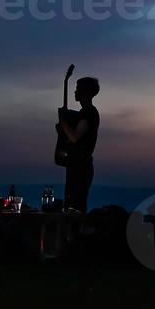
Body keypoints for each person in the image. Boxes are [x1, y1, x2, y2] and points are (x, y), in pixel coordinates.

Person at [57, 76, 100, 214]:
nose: (75, 92)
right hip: (77, 165)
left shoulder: (89, 113)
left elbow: (75, 137)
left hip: (81, 166)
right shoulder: (83, 113)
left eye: (78, 89)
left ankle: (75, 234)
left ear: (86, 92)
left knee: (75, 207)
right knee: (72, 204)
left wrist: (63, 121)